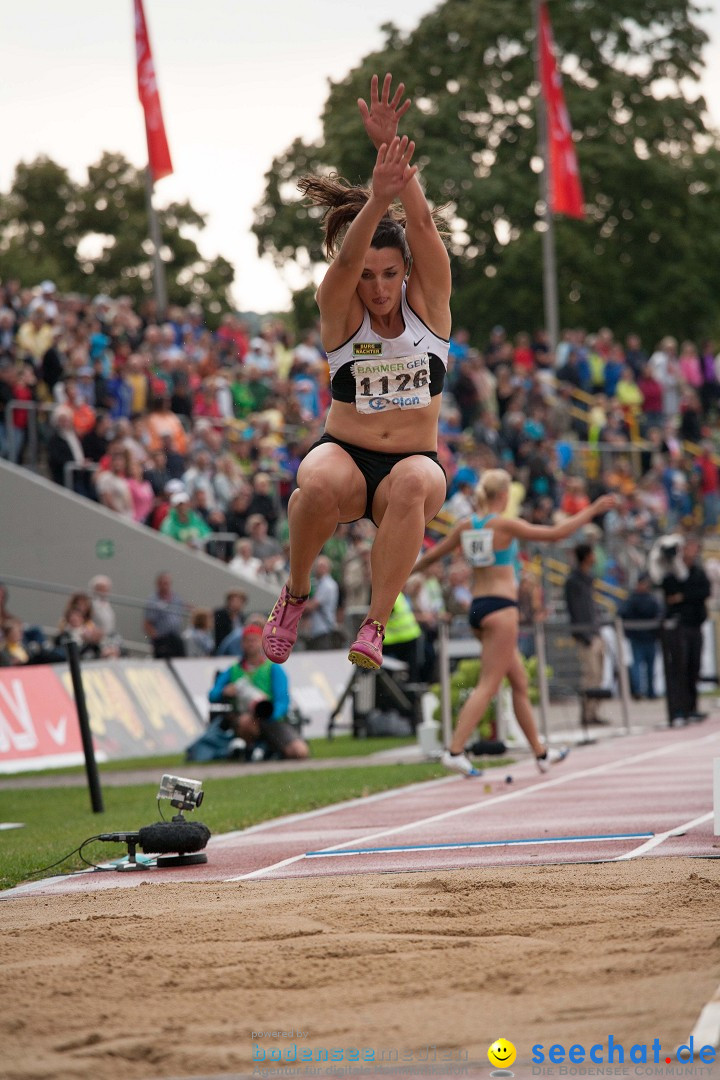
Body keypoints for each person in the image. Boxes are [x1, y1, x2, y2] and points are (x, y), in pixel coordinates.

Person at [262, 74, 451, 673]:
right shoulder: (342, 313)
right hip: (346, 455)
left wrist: (399, 170)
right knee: (310, 481)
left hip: (412, 467)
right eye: (368, 277)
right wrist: (376, 198)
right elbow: (347, 259)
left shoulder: (430, 308)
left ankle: (375, 624)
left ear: (405, 274)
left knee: (418, 482)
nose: (377, 288)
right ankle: (293, 596)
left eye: (388, 275)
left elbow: (422, 230)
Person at [415, 469, 615, 775]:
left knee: (519, 681)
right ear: (504, 495)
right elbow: (555, 534)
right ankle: (454, 750)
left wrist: (401, 573)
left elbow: (431, 558)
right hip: (501, 609)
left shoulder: (465, 526)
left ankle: (540, 753)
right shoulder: (504, 525)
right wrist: (594, 510)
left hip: (478, 609)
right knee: (489, 684)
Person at [208, 625, 309, 760]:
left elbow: (283, 702)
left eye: (254, 640)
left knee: (299, 752)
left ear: (262, 642)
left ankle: (271, 751)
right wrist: (224, 692)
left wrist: (266, 713)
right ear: (242, 644)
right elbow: (212, 695)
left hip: (271, 719)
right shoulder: (233, 670)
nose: (250, 644)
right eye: (247, 640)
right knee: (246, 722)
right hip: (246, 718)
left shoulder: (273, 669)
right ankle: (251, 749)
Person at [660, 535, 711, 724]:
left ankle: (691, 708)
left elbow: (703, 592)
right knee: (678, 668)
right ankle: (678, 710)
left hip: (695, 624)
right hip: (678, 627)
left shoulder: (698, 572)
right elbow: (668, 592)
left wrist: (683, 596)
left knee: (693, 667)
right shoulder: (672, 571)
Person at [565, 543, 609, 726]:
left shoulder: (587, 578)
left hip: (595, 632)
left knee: (599, 675)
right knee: (590, 675)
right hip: (586, 635)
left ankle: (594, 712)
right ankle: (587, 713)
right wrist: (585, 635)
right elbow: (576, 610)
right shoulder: (574, 581)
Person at [618, 573, 660, 700]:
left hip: (646, 638)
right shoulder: (646, 600)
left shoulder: (633, 600)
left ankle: (646, 691)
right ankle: (640, 691)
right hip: (640, 638)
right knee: (640, 666)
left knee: (647, 667)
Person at [143, 572, 187, 659]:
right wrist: (157, 639)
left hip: (175, 638)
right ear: (158, 584)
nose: (166, 586)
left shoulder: (176, 598)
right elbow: (148, 623)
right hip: (162, 639)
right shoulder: (153, 600)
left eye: (167, 583)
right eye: (163, 583)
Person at [304, 555, 342, 650]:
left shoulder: (327, 585)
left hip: (323, 629)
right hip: (316, 629)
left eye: (322, 566)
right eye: (318, 566)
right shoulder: (318, 583)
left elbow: (312, 606)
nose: (319, 569)